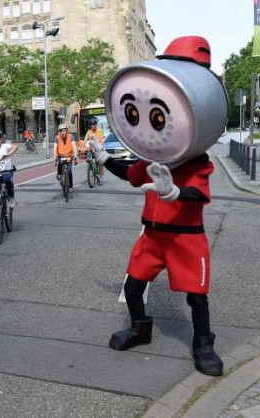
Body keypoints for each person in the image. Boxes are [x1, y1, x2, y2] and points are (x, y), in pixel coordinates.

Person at [94, 35, 227, 376]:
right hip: (152, 238)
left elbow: (199, 195)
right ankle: (140, 327)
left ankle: (203, 343)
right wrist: (105, 158)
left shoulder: (195, 163)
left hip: (185, 238)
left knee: (196, 296)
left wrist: (175, 193)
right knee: (133, 285)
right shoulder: (154, 157)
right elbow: (131, 174)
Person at [53, 123, 77, 192]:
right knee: (60, 163)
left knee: (69, 170)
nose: (62, 132)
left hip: (69, 156)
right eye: (61, 131)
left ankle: (71, 186)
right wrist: (55, 157)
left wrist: (75, 155)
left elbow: (74, 146)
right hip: (61, 156)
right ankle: (60, 174)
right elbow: (55, 148)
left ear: (66, 131)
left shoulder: (71, 136)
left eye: (64, 131)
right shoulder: (57, 138)